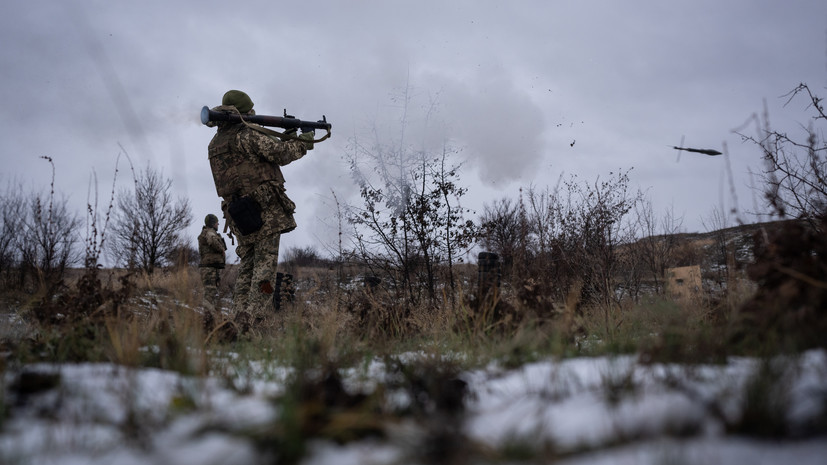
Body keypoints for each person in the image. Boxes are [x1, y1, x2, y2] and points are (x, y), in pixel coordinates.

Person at [205, 90, 314, 315]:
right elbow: (281, 154)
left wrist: (289, 133)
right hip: (263, 210)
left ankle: (238, 316)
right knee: (265, 268)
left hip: (237, 213)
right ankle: (256, 320)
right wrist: (305, 139)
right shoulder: (246, 135)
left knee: (248, 266)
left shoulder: (215, 142)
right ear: (245, 110)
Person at [197, 213, 227, 307]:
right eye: (217, 223)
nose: (218, 224)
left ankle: (211, 318)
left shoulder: (207, 232)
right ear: (213, 223)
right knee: (210, 294)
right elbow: (212, 241)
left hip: (212, 268)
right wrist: (221, 249)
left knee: (212, 294)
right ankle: (207, 318)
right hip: (209, 269)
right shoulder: (209, 232)